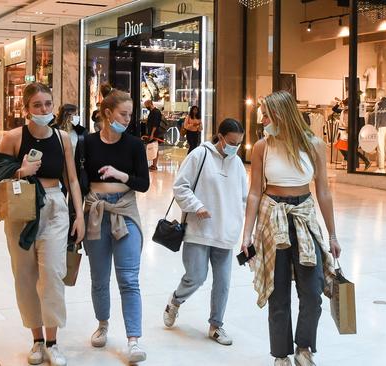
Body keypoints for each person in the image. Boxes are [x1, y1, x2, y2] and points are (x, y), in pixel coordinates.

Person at [241, 90, 341, 366]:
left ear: (281, 116)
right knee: (278, 292)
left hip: (305, 217)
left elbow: (323, 193)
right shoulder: (263, 146)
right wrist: (246, 234)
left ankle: (304, 348)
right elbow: (253, 193)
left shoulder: (314, 145)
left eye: (266, 115)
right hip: (272, 216)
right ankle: (281, 354)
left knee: (312, 291)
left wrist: (332, 235)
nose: (262, 120)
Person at [0, 83, 85, 366]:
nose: (44, 110)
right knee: (25, 275)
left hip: (55, 206)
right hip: (21, 209)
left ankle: (53, 341)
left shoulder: (63, 139)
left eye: (48, 104)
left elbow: (71, 179)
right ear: (27, 109)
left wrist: (79, 215)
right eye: (37, 105)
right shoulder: (12, 138)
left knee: (52, 275)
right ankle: (36, 340)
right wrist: (20, 171)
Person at [163, 118, 247, 346]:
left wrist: (240, 228)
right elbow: (180, 186)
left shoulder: (237, 164)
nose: (234, 147)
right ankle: (176, 300)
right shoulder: (200, 155)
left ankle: (216, 325)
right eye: (231, 142)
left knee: (223, 282)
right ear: (220, 137)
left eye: (238, 143)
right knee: (196, 276)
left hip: (225, 233)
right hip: (199, 230)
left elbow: (244, 198)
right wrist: (197, 205)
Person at [82, 89, 150, 363]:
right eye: (124, 113)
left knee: (129, 279)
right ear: (107, 113)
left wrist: (120, 174)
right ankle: (103, 324)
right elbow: (80, 182)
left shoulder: (134, 145)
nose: (128, 119)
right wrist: (77, 217)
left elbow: (143, 184)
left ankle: (134, 340)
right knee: (99, 278)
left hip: (125, 211)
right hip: (95, 212)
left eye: (131, 114)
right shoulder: (87, 143)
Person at [336, 98, 370, 170]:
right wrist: (339, 103)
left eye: (347, 104)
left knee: (352, 150)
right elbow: (334, 109)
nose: (346, 106)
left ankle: (364, 161)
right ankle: (363, 161)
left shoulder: (356, 111)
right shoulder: (344, 111)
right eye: (346, 104)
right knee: (344, 148)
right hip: (346, 133)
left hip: (353, 133)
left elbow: (360, 123)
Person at [143, 100, 163, 171]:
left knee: (155, 148)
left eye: (146, 105)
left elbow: (155, 124)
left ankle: (154, 165)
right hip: (152, 132)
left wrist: (152, 134)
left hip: (155, 133)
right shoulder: (152, 112)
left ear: (150, 104)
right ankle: (153, 165)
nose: (146, 107)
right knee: (154, 148)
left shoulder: (156, 112)